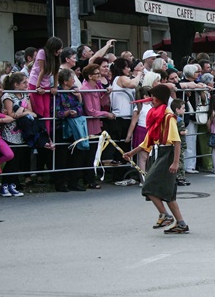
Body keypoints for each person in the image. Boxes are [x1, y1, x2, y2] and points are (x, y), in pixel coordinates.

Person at [123, 84, 189, 234]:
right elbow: (148, 140)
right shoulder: (158, 115)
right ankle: (181, 223)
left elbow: (177, 141)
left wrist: (175, 162)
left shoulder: (168, 117)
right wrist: (132, 153)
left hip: (168, 154)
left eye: (153, 97)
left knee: (148, 187)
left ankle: (165, 215)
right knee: (168, 192)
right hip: (161, 152)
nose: (150, 99)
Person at [81, 63, 115, 189]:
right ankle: (88, 179)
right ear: (90, 76)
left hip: (96, 124)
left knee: (94, 152)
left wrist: (106, 94)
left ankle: (91, 178)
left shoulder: (96, 86)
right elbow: (90, 111)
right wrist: (106, 114)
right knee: (89, 154)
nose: (99, 75)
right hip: (89, 124)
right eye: (97, 73)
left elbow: (101, 103)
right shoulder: (86, 89)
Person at [28, 36, 63, 136]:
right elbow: (42, 70)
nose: (60, 51)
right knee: (40, 109)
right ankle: (40, 135)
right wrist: (38, 87)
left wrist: (55, 87)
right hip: (35, 82)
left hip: (46, 83)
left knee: (47, 110)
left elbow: (56, 72)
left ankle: (47, 135)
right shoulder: (42, 52)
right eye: (58, 48)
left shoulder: (56, 56)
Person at [170, 99, 190, 186]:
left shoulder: (171, 118)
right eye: (183, 108)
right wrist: (186, 131)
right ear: (177, 110)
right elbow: (182, 132)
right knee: (180, 160)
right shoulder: (179, 120)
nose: (184, 110)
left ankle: (177, 177)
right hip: (180, 143)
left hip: (174, 143)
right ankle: (180, 177)